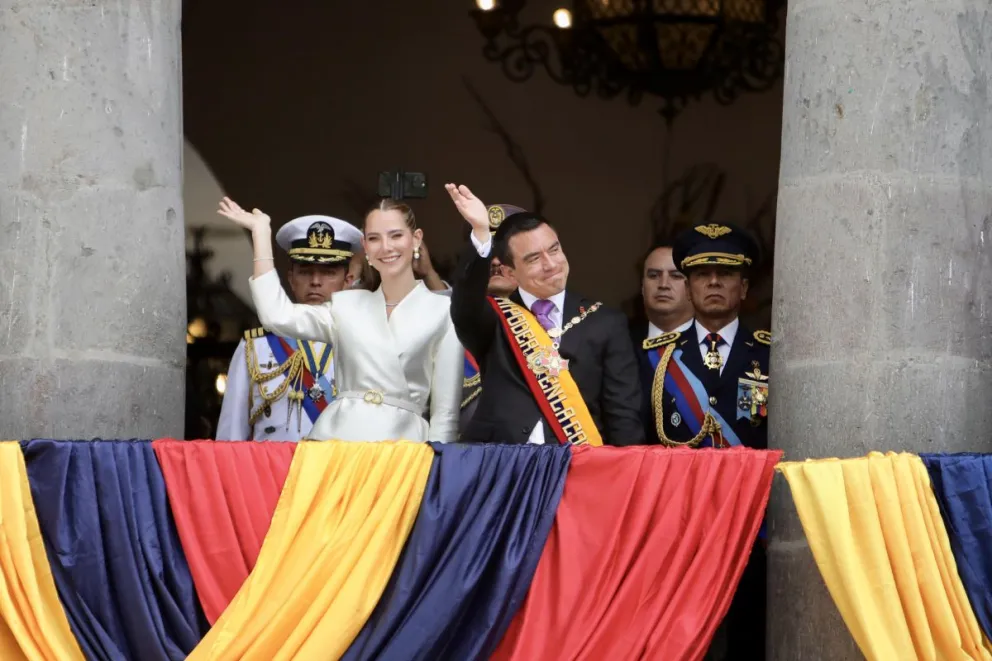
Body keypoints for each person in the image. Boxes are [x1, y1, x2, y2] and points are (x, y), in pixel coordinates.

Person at [217, 196, 464, 442]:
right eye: (374, 238)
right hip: (338, 445)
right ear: (365, 247)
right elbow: (276, 316)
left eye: (396, 235)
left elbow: (446, 416)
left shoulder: (444, 310)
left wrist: (438, 462)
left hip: (405, 449)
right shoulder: (346, 306)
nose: (386, 247)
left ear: (416, 239)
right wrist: (261, 233)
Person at [446, 183, 644, 446]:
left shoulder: (605, 322)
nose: (551, 265)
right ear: (509, 272)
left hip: (577, 462)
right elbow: (465, 303)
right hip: (502, 460)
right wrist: (481, 234)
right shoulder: (493, 319)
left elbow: (623, 416)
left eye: (554, 250)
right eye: (533, 259)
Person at [653, 222, 770, 661]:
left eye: (726, 274)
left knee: (747, 638)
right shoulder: (657, 357)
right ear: (688, 287)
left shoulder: (772, 355)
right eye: (703, 274)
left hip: (751, 524)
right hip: (680, 524)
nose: (714, 282)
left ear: (744, 287)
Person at [216, 215, 362, 441]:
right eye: (305, 271)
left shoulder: (361, 341)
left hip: (341, 464)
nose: (315, 281)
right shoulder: (256, 346)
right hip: (272, 464)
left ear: (348, 280)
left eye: (328, 272)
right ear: (291, 278)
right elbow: (231, 435)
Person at [459, 203, 521, 437]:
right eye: (487, 252)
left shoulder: (552, 321)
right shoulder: (449, 322)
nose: (495, 262)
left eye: (505, 253)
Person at [629, 243, 695, 445]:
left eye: (676, 276)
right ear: (642, 287)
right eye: (654, 275)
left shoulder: (711, 345)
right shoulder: (621, 343)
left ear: (692, 287)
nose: (663, 284)